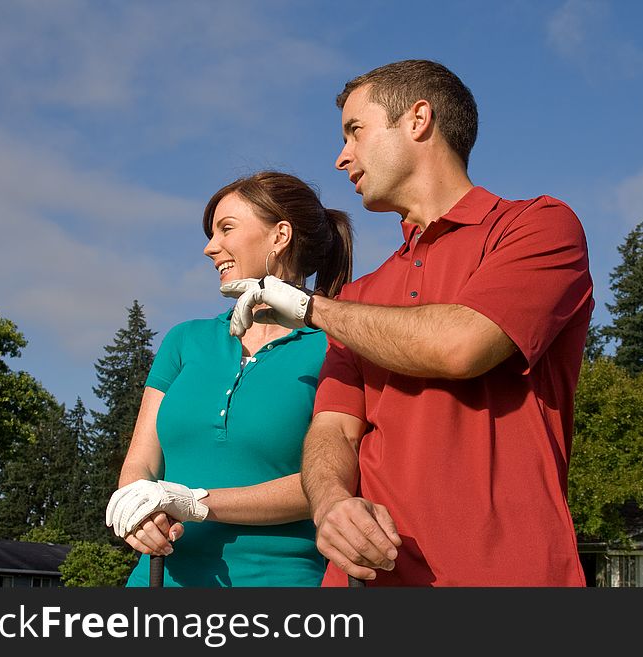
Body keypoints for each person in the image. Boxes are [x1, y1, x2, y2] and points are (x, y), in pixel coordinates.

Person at [222, 60, 594, 586]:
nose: (341, 156)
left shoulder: (537, 226)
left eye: (355, 130)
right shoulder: (359, 298)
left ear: (418, 119)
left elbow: (461, 345)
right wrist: (331, 506)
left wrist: (309, 306)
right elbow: (334, 430)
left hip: (511, 575)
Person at [105, 170, 354, 587]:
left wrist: (196, 503)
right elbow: (142, 463)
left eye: (226, 229)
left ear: (280, 236)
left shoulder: (336, 348)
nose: (209, 248)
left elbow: (331, 481)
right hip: (157, 581)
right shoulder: (185, 341)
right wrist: (141, 512)